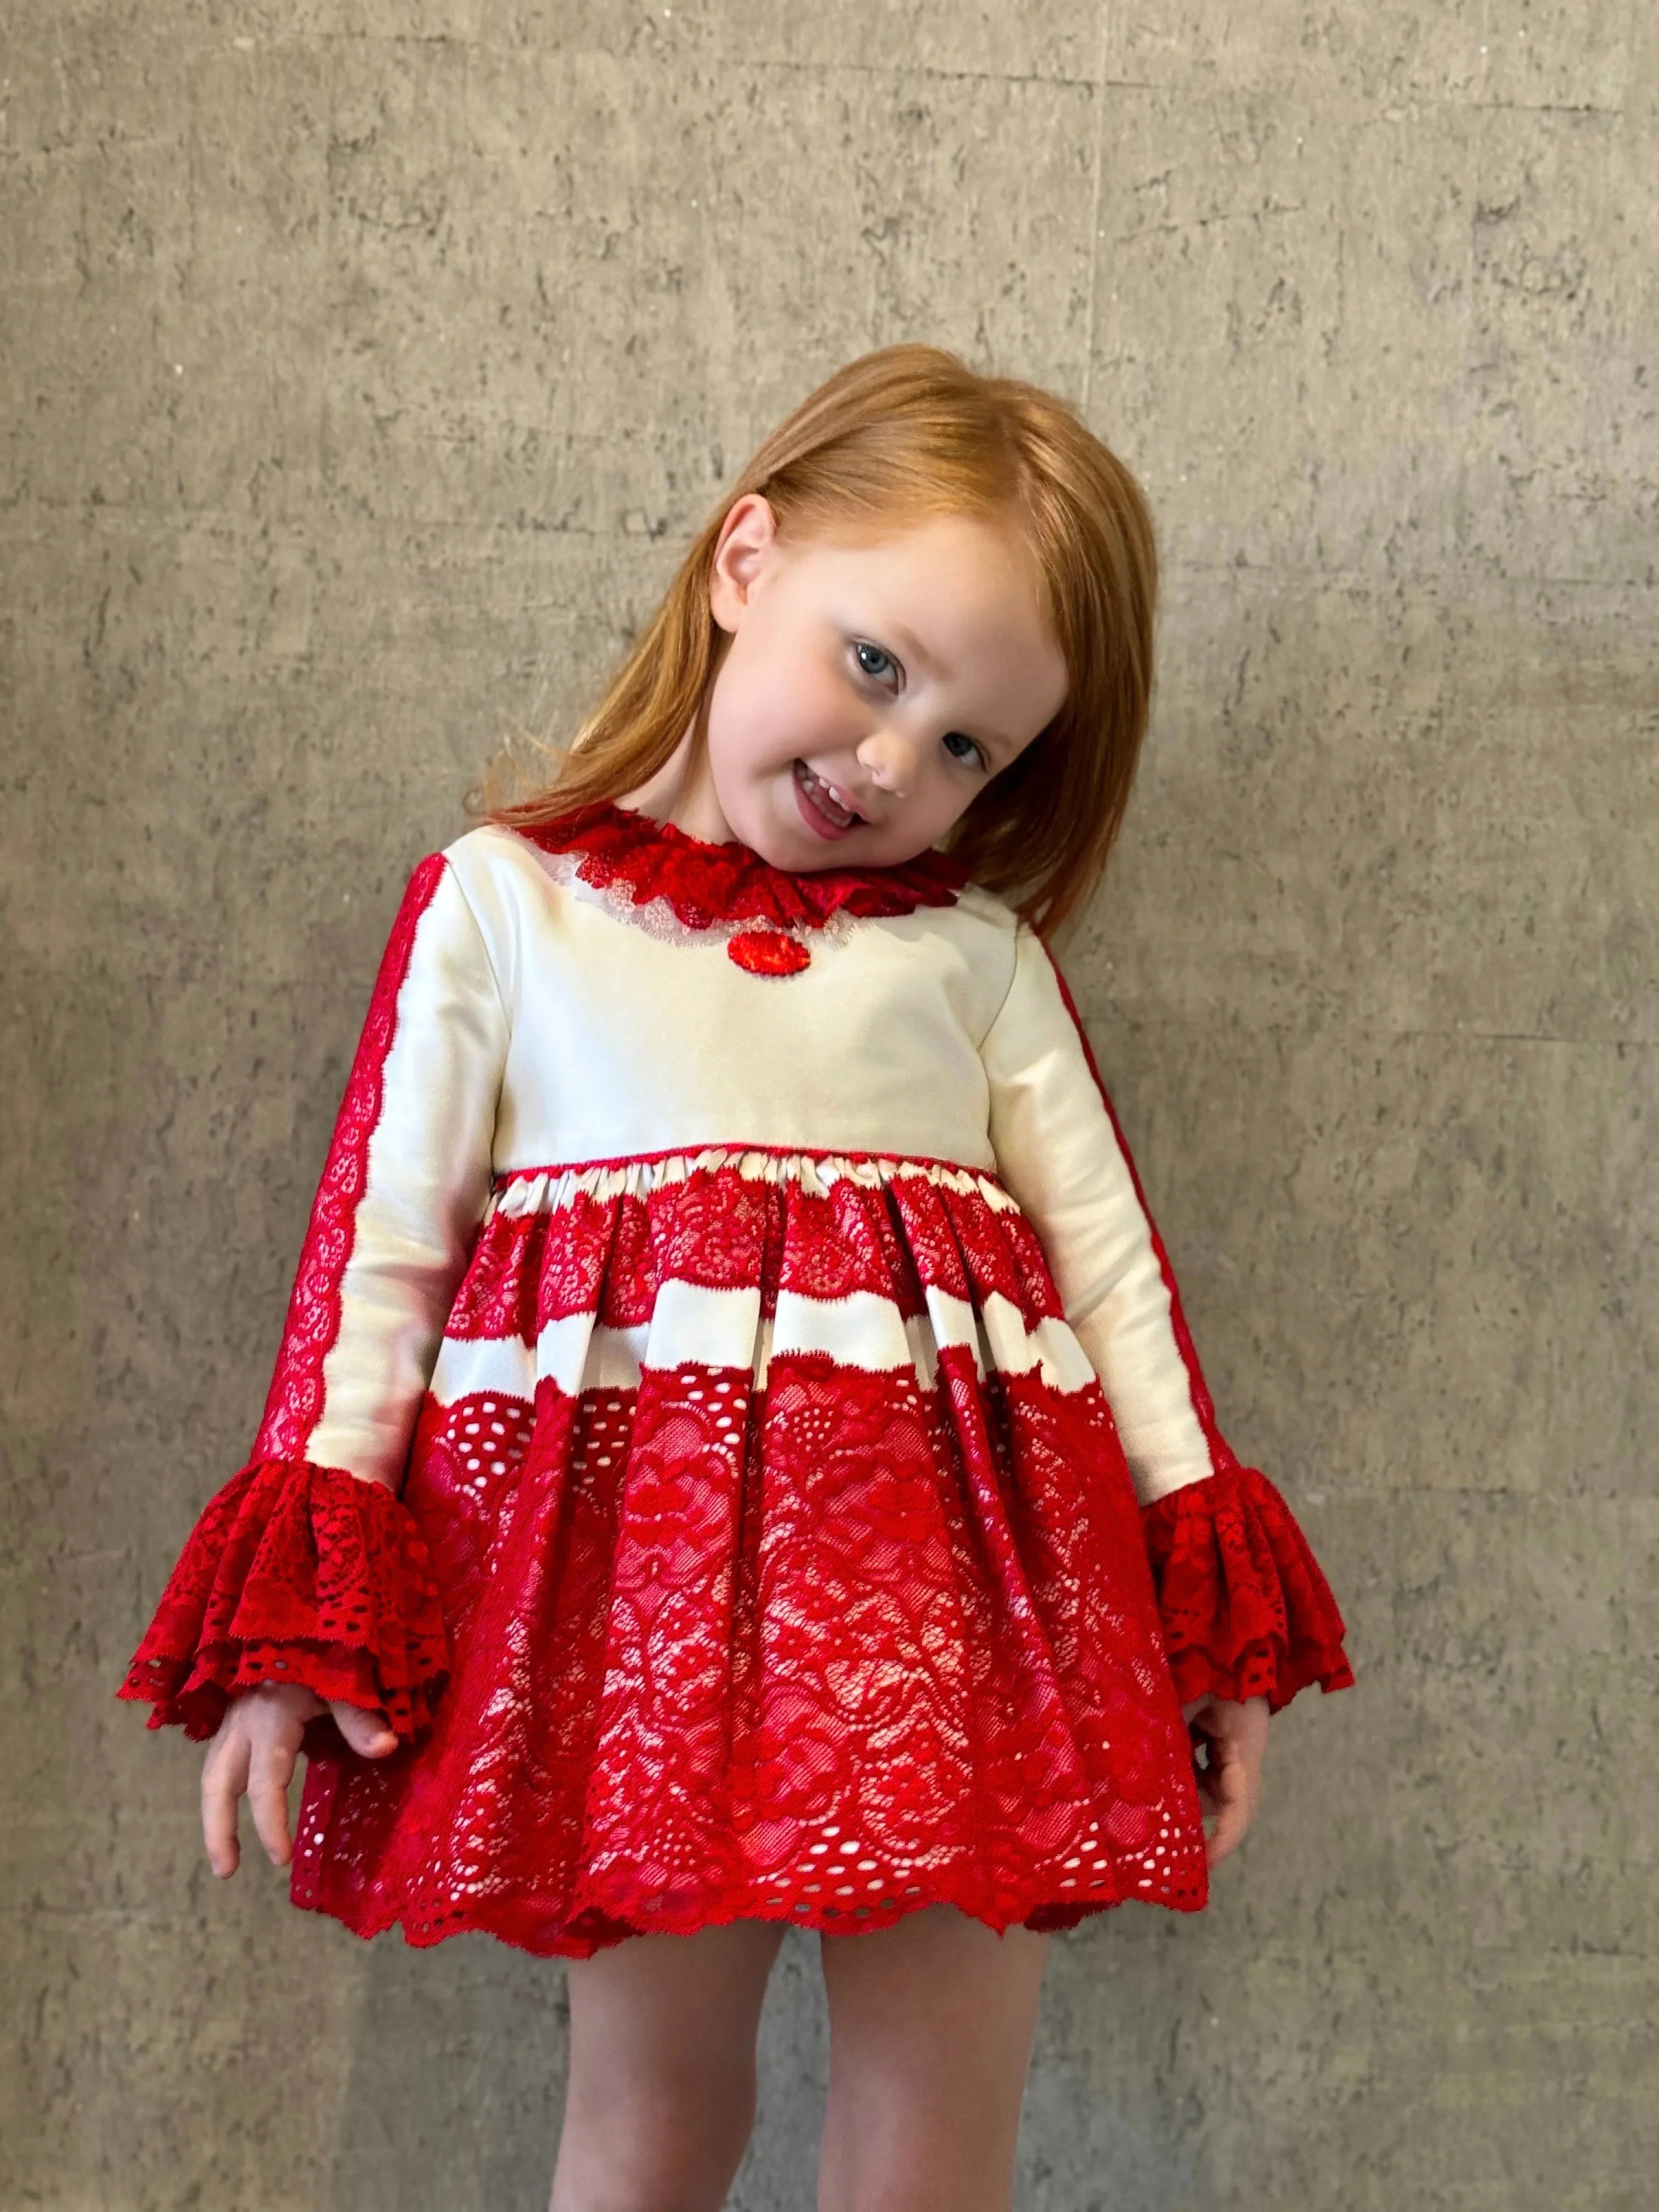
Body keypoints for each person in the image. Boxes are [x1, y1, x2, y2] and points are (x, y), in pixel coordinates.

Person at [119, 344, 1354, 2212]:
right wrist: (296, 1635)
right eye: (877, 667)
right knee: (647, 2130)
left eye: (968, 746)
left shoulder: (975, 960)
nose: (891, 765)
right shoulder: (508, 909)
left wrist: (1206, 1615)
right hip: (643, 1636)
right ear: (745, 560)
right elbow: (380, 1266)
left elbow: (1116, 1291)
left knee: (935, 2160)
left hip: (966, 1637)